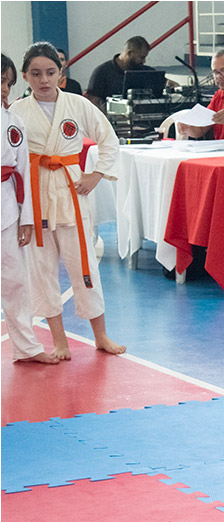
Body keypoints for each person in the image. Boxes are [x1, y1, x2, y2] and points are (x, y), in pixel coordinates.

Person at [11, 42, 125, 359]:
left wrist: (96, 174)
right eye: (36, 74)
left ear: (61, 73)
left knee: (84, 265)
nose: (44, 80)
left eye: (50, 72)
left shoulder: (77, 104)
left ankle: (101, 336)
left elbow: (109, 140)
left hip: (72, 191)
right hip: (35, 196)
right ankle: (59, 341)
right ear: (25, 76)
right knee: (42, 270)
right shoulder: (17, 112)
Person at [1, 54, 58, 364]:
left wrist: (27, 219)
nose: (4, 89)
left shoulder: (14, 123)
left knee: (16, 281)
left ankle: (26, 347)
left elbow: (24, 170)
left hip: (7, 207)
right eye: (0, 81)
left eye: (7, 82)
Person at [85, 36, 153, 110]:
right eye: (141, 57)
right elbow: (93, 100)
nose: (144, 61)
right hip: (109, 115)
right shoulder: (102, 72)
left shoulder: (147, 72)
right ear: (129, 53)